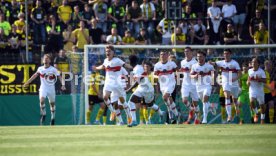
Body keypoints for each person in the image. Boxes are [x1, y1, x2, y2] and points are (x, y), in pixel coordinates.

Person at [92, 45, 133, 123]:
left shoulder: (117, 60)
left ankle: (129, 116)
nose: (107, 52)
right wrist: (97, 68)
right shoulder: (105, 60)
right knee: (105, 97)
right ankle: (114, 113)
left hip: (118, 84)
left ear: (113, 52)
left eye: (109, 51)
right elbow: (103, 66)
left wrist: (131, 67)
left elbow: (125, 65)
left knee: (122, 102)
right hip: (109, 83)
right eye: (106, 51)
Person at [23, 54, 66, 125]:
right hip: (43, 88)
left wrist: (63, 85)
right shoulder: (40, 69)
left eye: (47, 58)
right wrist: (27, 82)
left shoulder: (53, 69)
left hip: (51, 88)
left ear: (50, 60)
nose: (45, 60)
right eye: (44, 58)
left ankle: (53, 118)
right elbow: (34, 76)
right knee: (42, 100)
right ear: (42, 60)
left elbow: (60, 77)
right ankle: (44, 114)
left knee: (52, 104)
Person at [127, 55, 164, 127]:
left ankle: (161, 113)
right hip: (141, 88)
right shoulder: (136, 69)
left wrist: (129, 89)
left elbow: (138, 81)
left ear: (130, 62)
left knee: (150, 105)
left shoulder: (138, 69)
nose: (145, 68)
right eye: (145, 66)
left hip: (148, 89)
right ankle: (134, 121)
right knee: (131, 102)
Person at [209, 49, 241, 123]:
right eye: (224, 54)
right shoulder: (221, 62)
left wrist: (235, 79)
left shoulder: (235, 63)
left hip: (234, 83)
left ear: (230, 54)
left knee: (235, 99)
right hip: (225, 83)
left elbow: (240, 74)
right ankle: (229, 115)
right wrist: (210, 63)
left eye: (227, 54)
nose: (225, 55)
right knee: (227, 96)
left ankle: (236, 107)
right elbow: (214, 63)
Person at [154, 50, 179, 124]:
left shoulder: (172, 64)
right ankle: (177, 114)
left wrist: (177, 77)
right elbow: (155, 75)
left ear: (167, 55)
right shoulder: (157, 65)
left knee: (165, 97)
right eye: (161, 54)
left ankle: (172, 115)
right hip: (163, 85)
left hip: (171, 83)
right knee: (169, 100)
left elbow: (178, 70)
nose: (162, 56)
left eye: (164, 54)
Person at [191, 51, 215, 124]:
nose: (199, 58)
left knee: (204, 100)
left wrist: (212, 81)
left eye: (200, 56)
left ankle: (204, 119)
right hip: (198, 86)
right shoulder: (194, 66)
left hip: (207, 85)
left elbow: (213, 74)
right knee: (204, 102)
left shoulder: (209, 66)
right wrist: (195, 76)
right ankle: (211, 106)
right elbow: (191, 75)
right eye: (198, 56)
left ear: (204, 57)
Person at [180, 47, 200, 124]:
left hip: (194, 84)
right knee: (184, 100)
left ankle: (197, 119)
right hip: (185, 84)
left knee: (195, 103)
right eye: (185, 51)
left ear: (192, 52)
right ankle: (191, 110)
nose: (186, 53)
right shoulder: (182, 62)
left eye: (188, 51)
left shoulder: (195, 62)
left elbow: (197, 73)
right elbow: (183, 72)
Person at [247, 57, 266, 124]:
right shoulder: (249, 71)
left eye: (255, 62)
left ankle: (262, 119)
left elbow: (265, 80)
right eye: (252, 62)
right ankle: (257, 113)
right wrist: (248, 82)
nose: (253, 63)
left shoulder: (261, 71)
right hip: (252, 89)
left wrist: (259, 79)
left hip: (260, 90)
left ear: (258, 64)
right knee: (251, 102)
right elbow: (248, 79)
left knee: (262, 106)